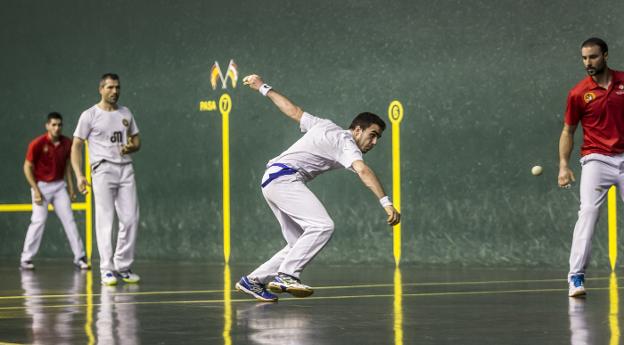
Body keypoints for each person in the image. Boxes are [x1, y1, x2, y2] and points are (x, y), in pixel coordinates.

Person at [235, 74, 401, 302]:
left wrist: (262, 87)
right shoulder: (346, 143)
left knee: (297, 243)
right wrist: (386, 203)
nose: (374, 142)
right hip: (285, 179)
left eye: (378, 138)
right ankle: (287, 275)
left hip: (271, 180)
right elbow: (363, 171)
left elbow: (293, 111)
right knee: (323, 226)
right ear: (357, 130)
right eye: (372, 135)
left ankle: (253, 281)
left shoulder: (324, 125)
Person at [559, 37, 624, 297]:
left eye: (593, 57)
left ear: (605, 56)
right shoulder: (578, 93)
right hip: (596, 159)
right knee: (588, 212)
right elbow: (568, 131)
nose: (588, 63)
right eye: (584, 58)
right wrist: (563, 165)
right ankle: (576, 276)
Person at [71, 73, 141, 286]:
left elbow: (136, 140)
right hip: (102, 170)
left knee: (131, 219)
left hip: (125, 169)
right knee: (105, 221)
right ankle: (107, 269)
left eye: (117, 87)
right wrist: (80, 175)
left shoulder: (125, 113)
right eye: (110, 87)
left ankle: (123, 266)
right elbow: (76, 145)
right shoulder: (89, 115)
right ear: (101, 89)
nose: (114, 91)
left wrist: (131, 146)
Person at [20, 112, 89, 270]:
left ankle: (80, 257)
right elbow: (27, 167)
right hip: (41, 186)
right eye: (53, 125)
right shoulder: (37, 144)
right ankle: (26, 259)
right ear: (47, 126)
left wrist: (71, 188)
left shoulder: (67, 143)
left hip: (59, 187)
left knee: (69, 221)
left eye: (59, 125)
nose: (57, 128)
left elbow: (67, 167)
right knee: (38, 221)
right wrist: (36, 190)